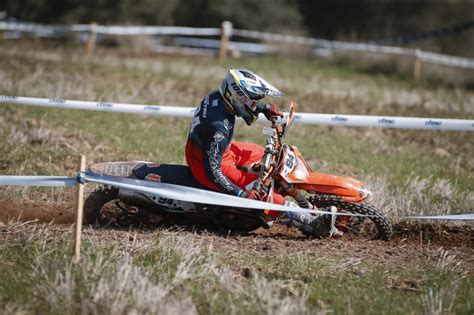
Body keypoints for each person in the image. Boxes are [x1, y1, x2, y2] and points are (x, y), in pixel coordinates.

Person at [185, 68, 338, 237]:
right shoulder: (218, 128)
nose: (254, 104)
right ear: (237, 96)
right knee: (264, 197)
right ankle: (311, 223)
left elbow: (244, 104)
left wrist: (263, 108)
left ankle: (281, 187)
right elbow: (212, 170)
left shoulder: (219, 98)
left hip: (222, 150)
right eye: (252, 100)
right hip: (210, 166)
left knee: (263, 155)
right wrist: (241, 193)